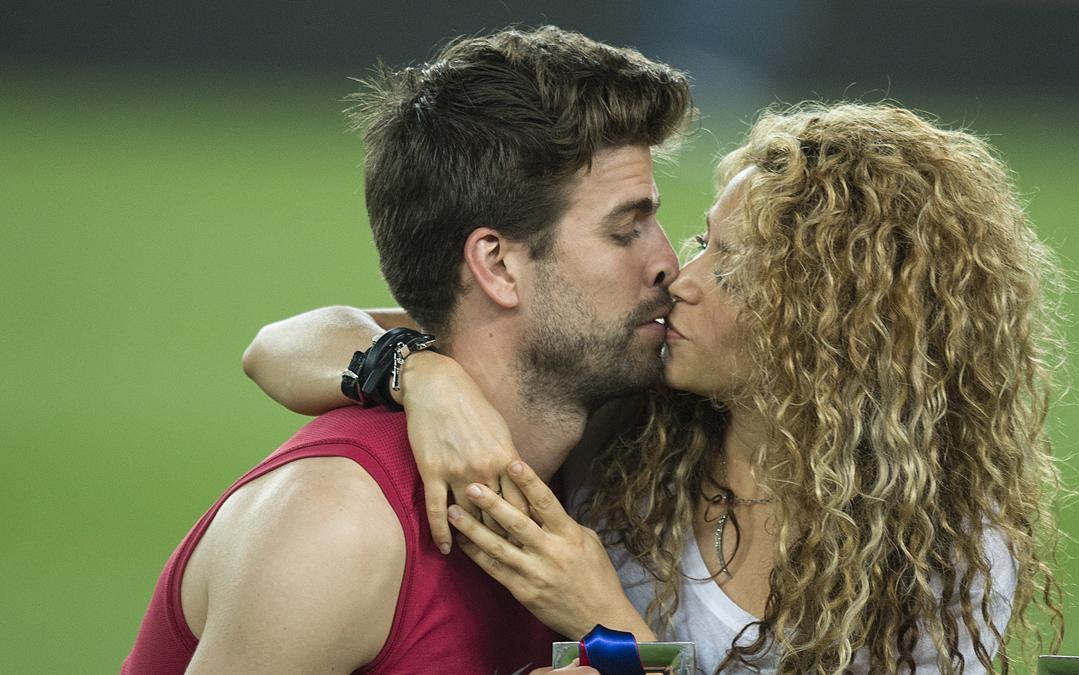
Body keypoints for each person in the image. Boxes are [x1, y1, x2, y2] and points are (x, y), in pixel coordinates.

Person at [244, 103, 1069, 674]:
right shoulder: (631, 416)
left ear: (837, 324)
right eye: (705, 238)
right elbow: (280, 343)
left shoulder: (944, 549)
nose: (682, 274)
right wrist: (417, 371)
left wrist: (613, 628)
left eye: (734, 267)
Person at [124, 26, 695, 674]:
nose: (669, 264)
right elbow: (268, 347)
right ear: (498, 265)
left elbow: (287, 340)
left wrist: (416, 369)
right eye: (627, 231)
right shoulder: (336, 528)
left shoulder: (595, 458)